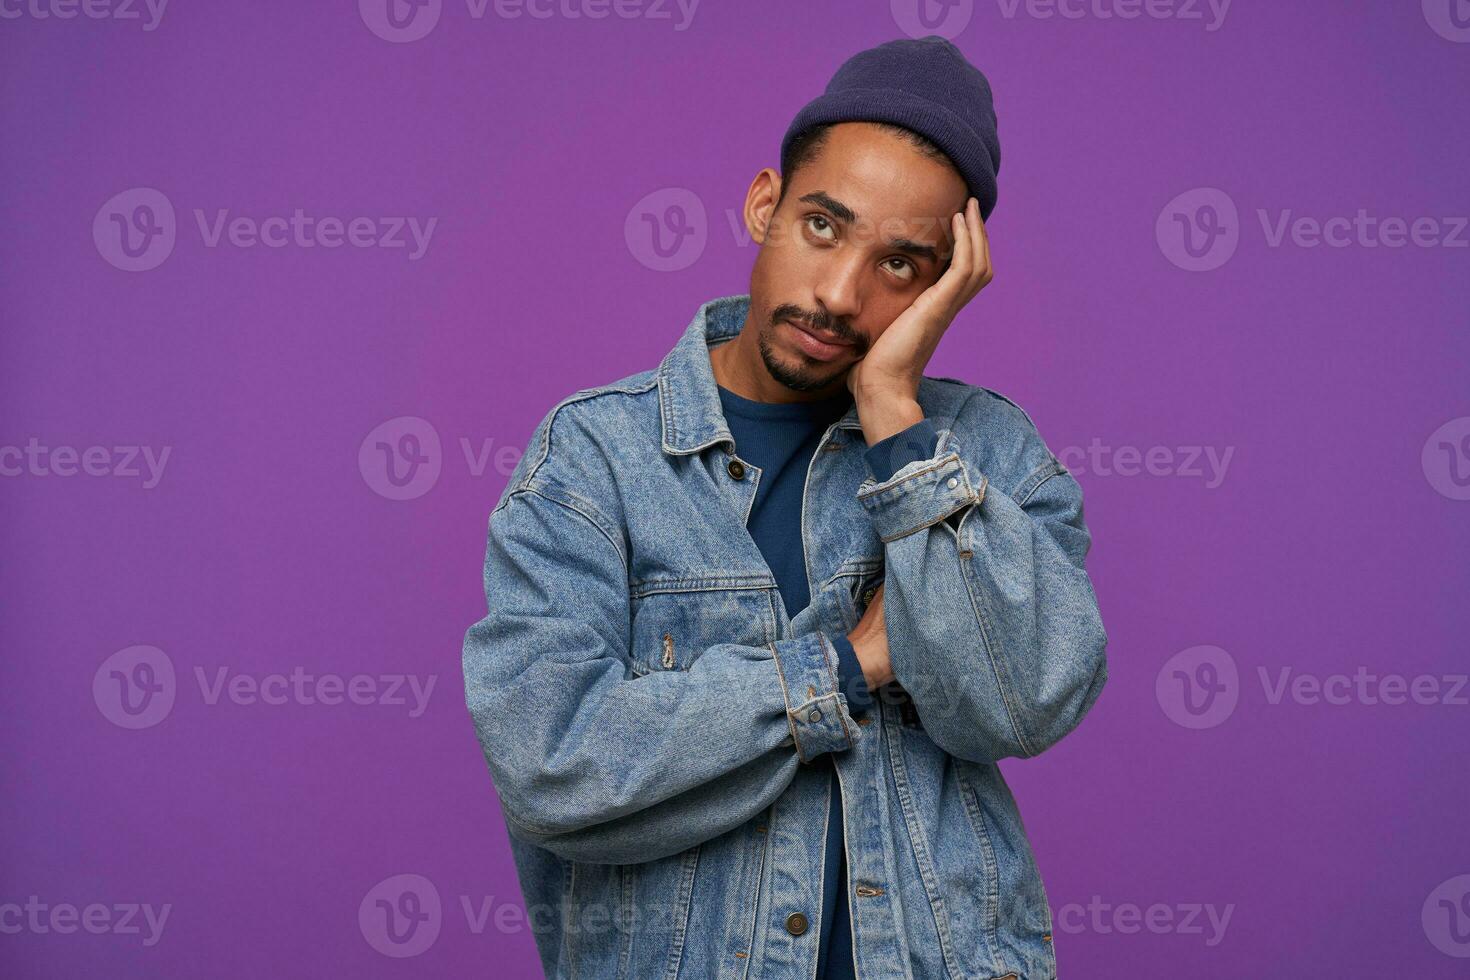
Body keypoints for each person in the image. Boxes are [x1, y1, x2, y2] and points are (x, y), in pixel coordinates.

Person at [463, 35, 1108, 980]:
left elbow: (1023, 704)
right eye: (822, 226)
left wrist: (896, 416)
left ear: (945, 285)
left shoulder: (988, 454)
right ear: (765, 203)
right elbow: (553, 765)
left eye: (900, 264)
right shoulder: (596, 459)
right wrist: (845, 665)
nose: (841, 294)